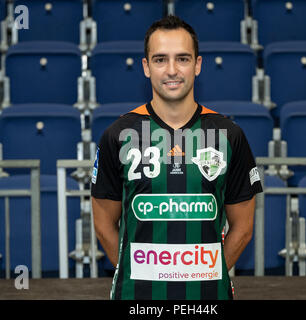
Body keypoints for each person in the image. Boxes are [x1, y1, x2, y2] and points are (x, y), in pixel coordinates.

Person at [91, 15, 263, 300]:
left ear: (197, 64)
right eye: (160, 60)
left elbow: (243, 228)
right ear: (146, 67)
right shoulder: (118, 134)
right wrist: (141, 273)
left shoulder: (229, 135)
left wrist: (201, 274)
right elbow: (103, 225)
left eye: (182, 59)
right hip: (138, 299)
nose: (172, 70)